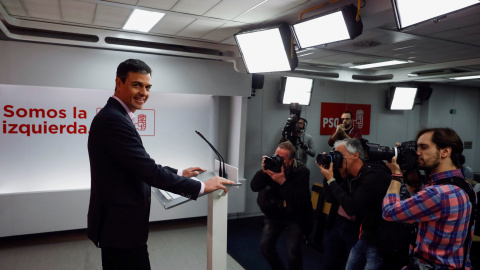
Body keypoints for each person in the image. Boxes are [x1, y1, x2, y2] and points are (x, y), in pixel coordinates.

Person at [87, 59, 234, 270]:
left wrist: (179, 173)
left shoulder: (116, 116)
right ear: (119, 83)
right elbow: (147, 170)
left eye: (147, 87)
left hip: (119, 225)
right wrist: (201, 186)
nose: (144, 93)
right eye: (136, 85)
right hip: (120, 227)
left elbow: (137, 164)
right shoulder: (113, 120)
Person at [383, 128, 476, 269]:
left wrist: (396, 174)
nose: (417, 153)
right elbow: (417, 202)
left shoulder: (438, 193)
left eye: (424, 147)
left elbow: (389, 212)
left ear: (445, 152)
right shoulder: (464, 185)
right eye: (416, 147)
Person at [317, 138, 391, 270]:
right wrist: (328, 173)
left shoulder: (373, 174)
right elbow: (329, 197)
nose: (337, 158)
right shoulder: (348, 173)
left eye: (340, 155)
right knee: (330, 263)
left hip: (372, 234)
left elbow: (352, 207)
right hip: (343, 225)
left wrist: (331, 180)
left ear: (355, 155)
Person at [250, 141, 313, 270]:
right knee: (265, 247)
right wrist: (263, 172)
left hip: (295, 215)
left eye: (281, 158)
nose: (277, 159)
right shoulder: (272, 166)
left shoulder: (302, 171)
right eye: (275, 155)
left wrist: (283, 182)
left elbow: (300, 200)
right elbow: (254, 187)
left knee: (293, 252)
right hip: (276, 213)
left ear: (290, 161)